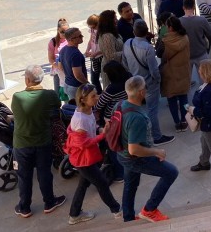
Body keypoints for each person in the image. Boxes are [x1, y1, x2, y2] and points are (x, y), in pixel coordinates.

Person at [118, 76, 178, 223]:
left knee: (130, 185)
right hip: (135, 158)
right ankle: (150, 210)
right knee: (171, 172)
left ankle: (128, 218)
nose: (146, 89)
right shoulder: (137, 118)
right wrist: (156, 151)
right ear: (140, 93)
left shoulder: (120, 105)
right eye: (144, 87)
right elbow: (134, 149)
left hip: (122, 154)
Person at [11, 65, 66, 219]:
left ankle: (24, 207)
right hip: (43, 141)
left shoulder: (17, 97)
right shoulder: (50, 95)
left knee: (24, 176)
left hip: (21, 144)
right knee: (44, 173)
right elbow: (57, 107)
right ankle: (49, 202)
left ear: (27, 80)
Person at [65, 84, 122, 225]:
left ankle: (74, 214)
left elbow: (92, 126)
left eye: (97, 94)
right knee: (102, 183)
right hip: (83, 159)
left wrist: (100, 129)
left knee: (83, 185)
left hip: (86, 156)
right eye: (93, 96)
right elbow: (83, 143)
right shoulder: (79, 119)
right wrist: (103, 136)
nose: (97, 97)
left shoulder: (88, 111)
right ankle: (117, 210)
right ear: (83, 99)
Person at [121, 20, 172, 144]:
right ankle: (156, 137)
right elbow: (153, 69)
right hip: (149, 83)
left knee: (139, 108)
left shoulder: (128, 43)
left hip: (134, 82)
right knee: (152, 110)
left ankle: (142, 134)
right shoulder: (148, 48)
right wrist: (158, 80)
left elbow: (124, 62)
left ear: (134, 31)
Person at [161, 16, 191, 133]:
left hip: (170, 73)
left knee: (172, 99)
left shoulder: (165, 41)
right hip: (183, 71)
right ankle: (185, 120)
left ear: (170, 27)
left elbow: (161, 56)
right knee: (184, 98)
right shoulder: (185, 38)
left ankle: (177, 123)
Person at [180, 0, 211, 75]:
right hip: (201, 52)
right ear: (194, 7)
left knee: (186, 79)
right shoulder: (202, 20)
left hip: (185, 54)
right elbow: (210, 34)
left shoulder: (178, 22)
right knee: (205, 77)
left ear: (183, 8)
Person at [60, 27, 89, 100]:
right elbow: (78, 75)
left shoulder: (63, 50)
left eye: (81, 35)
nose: (82, 37)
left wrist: (69, 74)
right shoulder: (76, 54)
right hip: (76, 87)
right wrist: (87, 83)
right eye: (79, 36)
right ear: (71, 39)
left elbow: (60, 66)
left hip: (67, 84)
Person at [97, 10, 123, 87]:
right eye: (114, 19)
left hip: (116, 67)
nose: (117, 20)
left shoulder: (111, 33)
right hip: (111, 71)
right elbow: (110, 56)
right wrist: (126, 52)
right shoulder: (107, 36)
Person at [47, 18, 69, 94]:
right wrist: (58, 67)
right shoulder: (53, 42)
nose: (65, 34)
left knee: (68, 93)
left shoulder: (70, 39)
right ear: (58, 30)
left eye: (67, 31)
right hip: (58, 70)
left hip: (69, 70)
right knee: (58, 92)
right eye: (62, 32)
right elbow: (51, 59)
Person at [83, 14, 103, 94]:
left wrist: (96, 53)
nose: (92, 29)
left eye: (93, 27)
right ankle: (99, 94)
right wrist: (87, 50)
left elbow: (105, 47)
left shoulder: (102, 32)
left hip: (101, 56)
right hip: (94, 57)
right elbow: (91, 41)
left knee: (104, 77)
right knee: (94, 79)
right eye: (90, 27)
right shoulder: (92, 30)